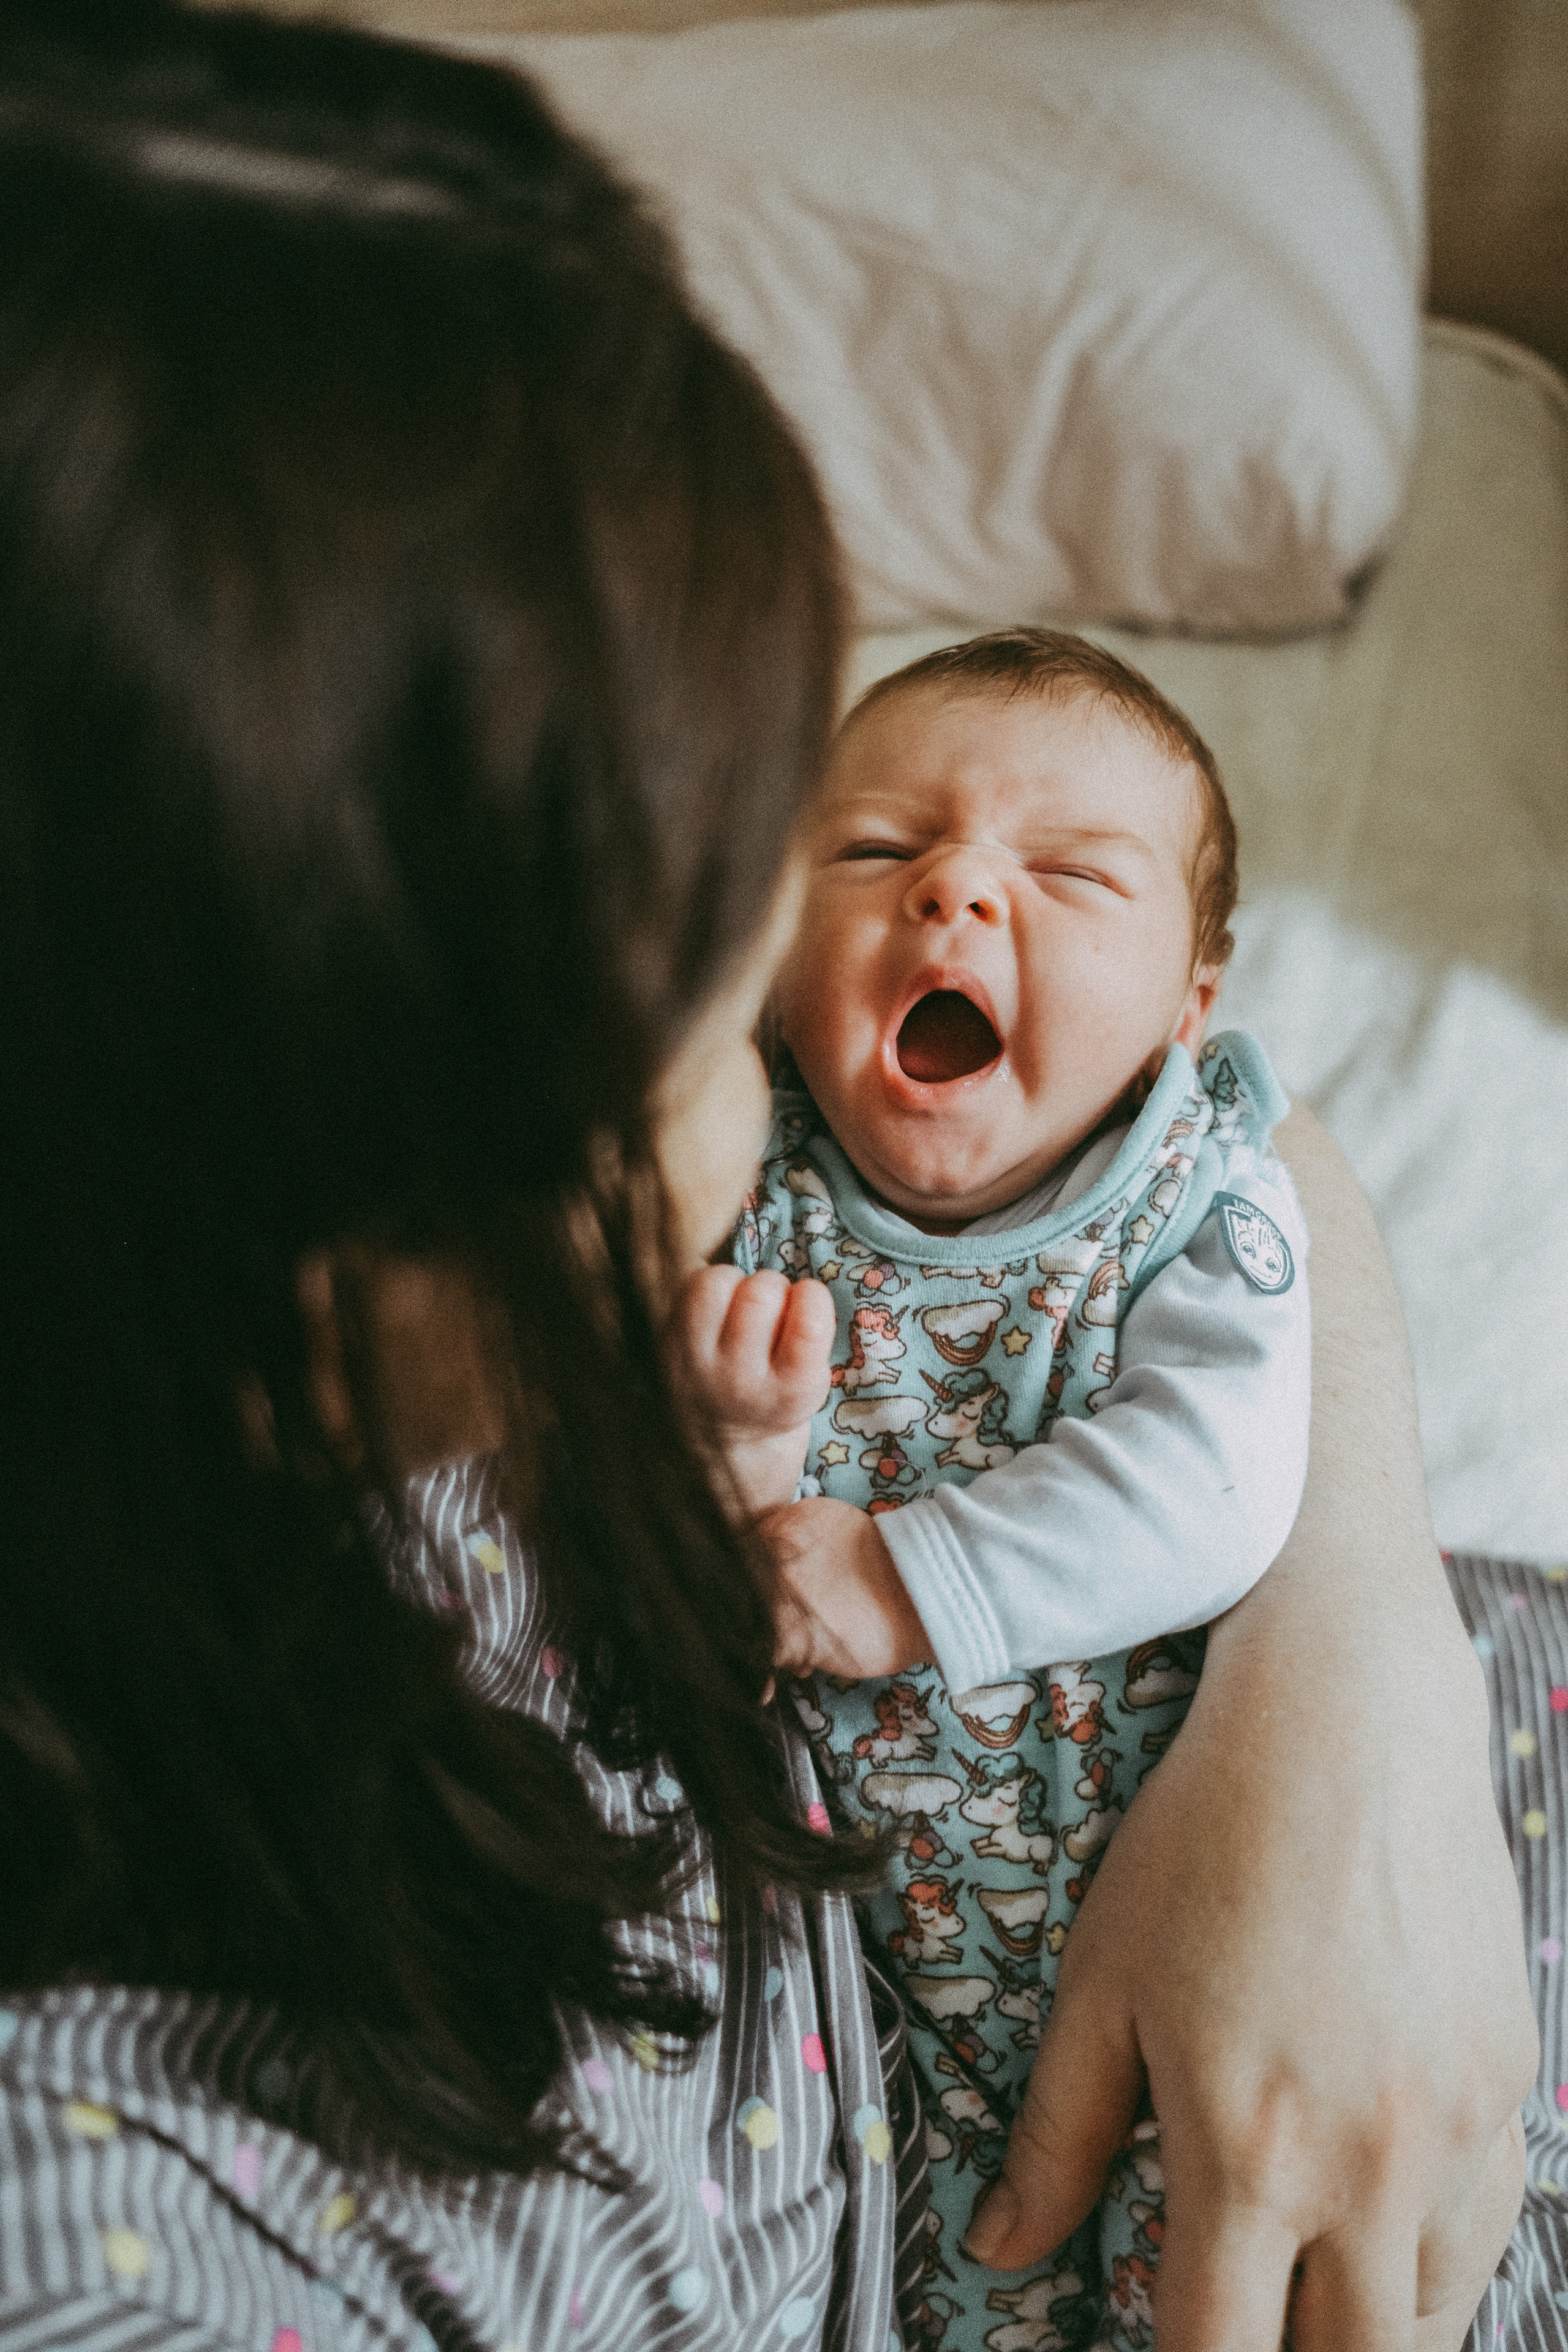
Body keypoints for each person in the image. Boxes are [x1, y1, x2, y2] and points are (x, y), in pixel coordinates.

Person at [0, 4, 1533, 2350]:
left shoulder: (391, 1378)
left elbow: (1218, 1144)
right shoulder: (155, 2238)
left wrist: (1346, 1681)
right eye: (755, 953)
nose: (918, 936)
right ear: (365, 1226)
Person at [685, 627, 1311, 2346]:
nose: (955, 887)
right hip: (870, 1991)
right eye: (877, 850)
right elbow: (686, 1556)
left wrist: (888, 1584)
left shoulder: (1193, 1202)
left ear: (1191, 1003)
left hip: (1161, 1933)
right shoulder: (752, 1187)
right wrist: (736, 1457)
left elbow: (1221, 1476)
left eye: (1067, 874)